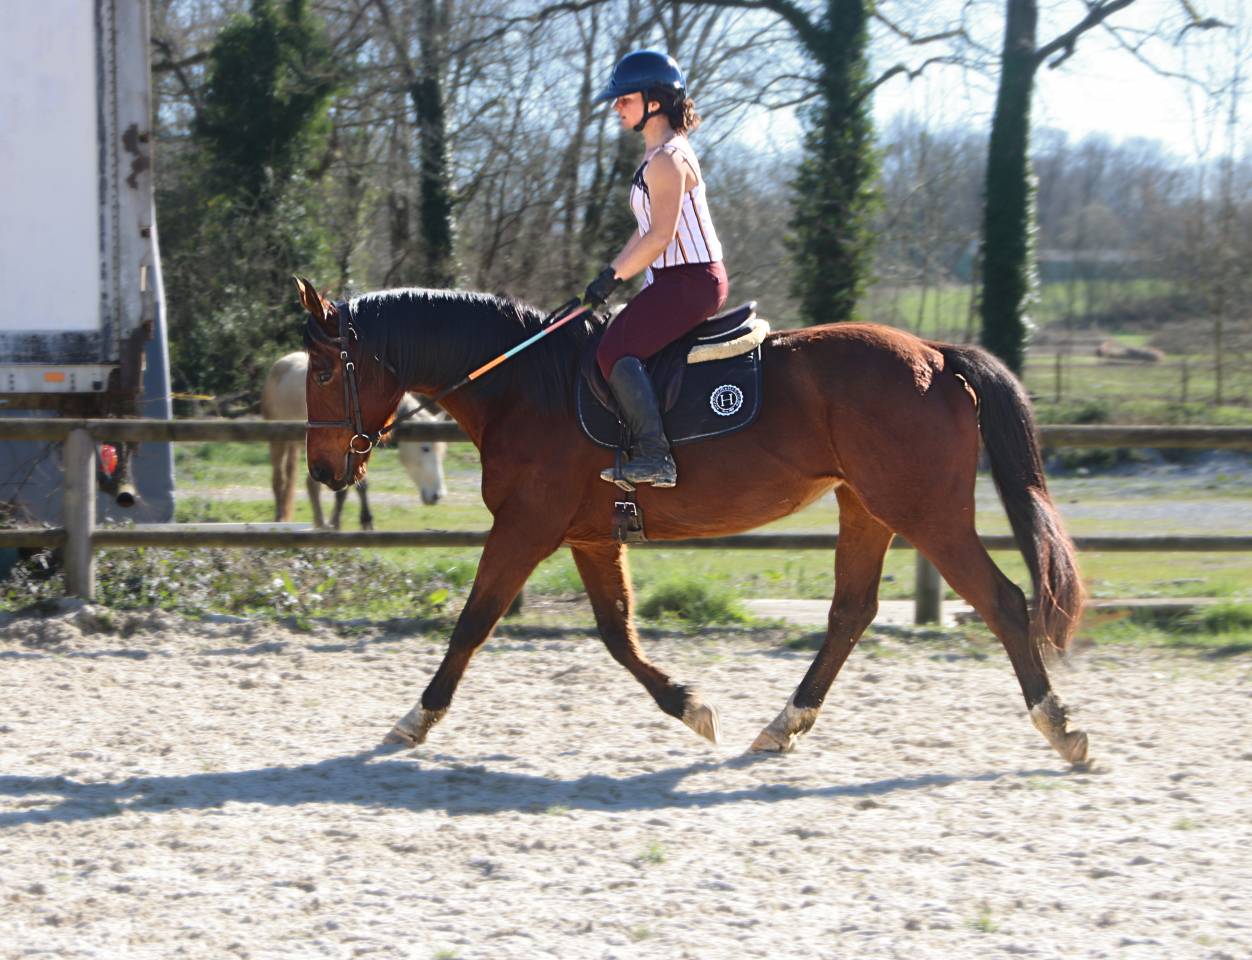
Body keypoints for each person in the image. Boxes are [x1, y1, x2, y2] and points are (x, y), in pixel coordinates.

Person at [583, 49, 728, 489]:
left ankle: (655, 455)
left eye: (624, 99)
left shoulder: (667, 159)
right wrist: (610, 273)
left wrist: (612, 277)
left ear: (654, 102)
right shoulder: (656, 157)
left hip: (691, 281)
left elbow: (660, 237)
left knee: (612, 352)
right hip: (672, 279)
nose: (616, 107)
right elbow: (645, 232)